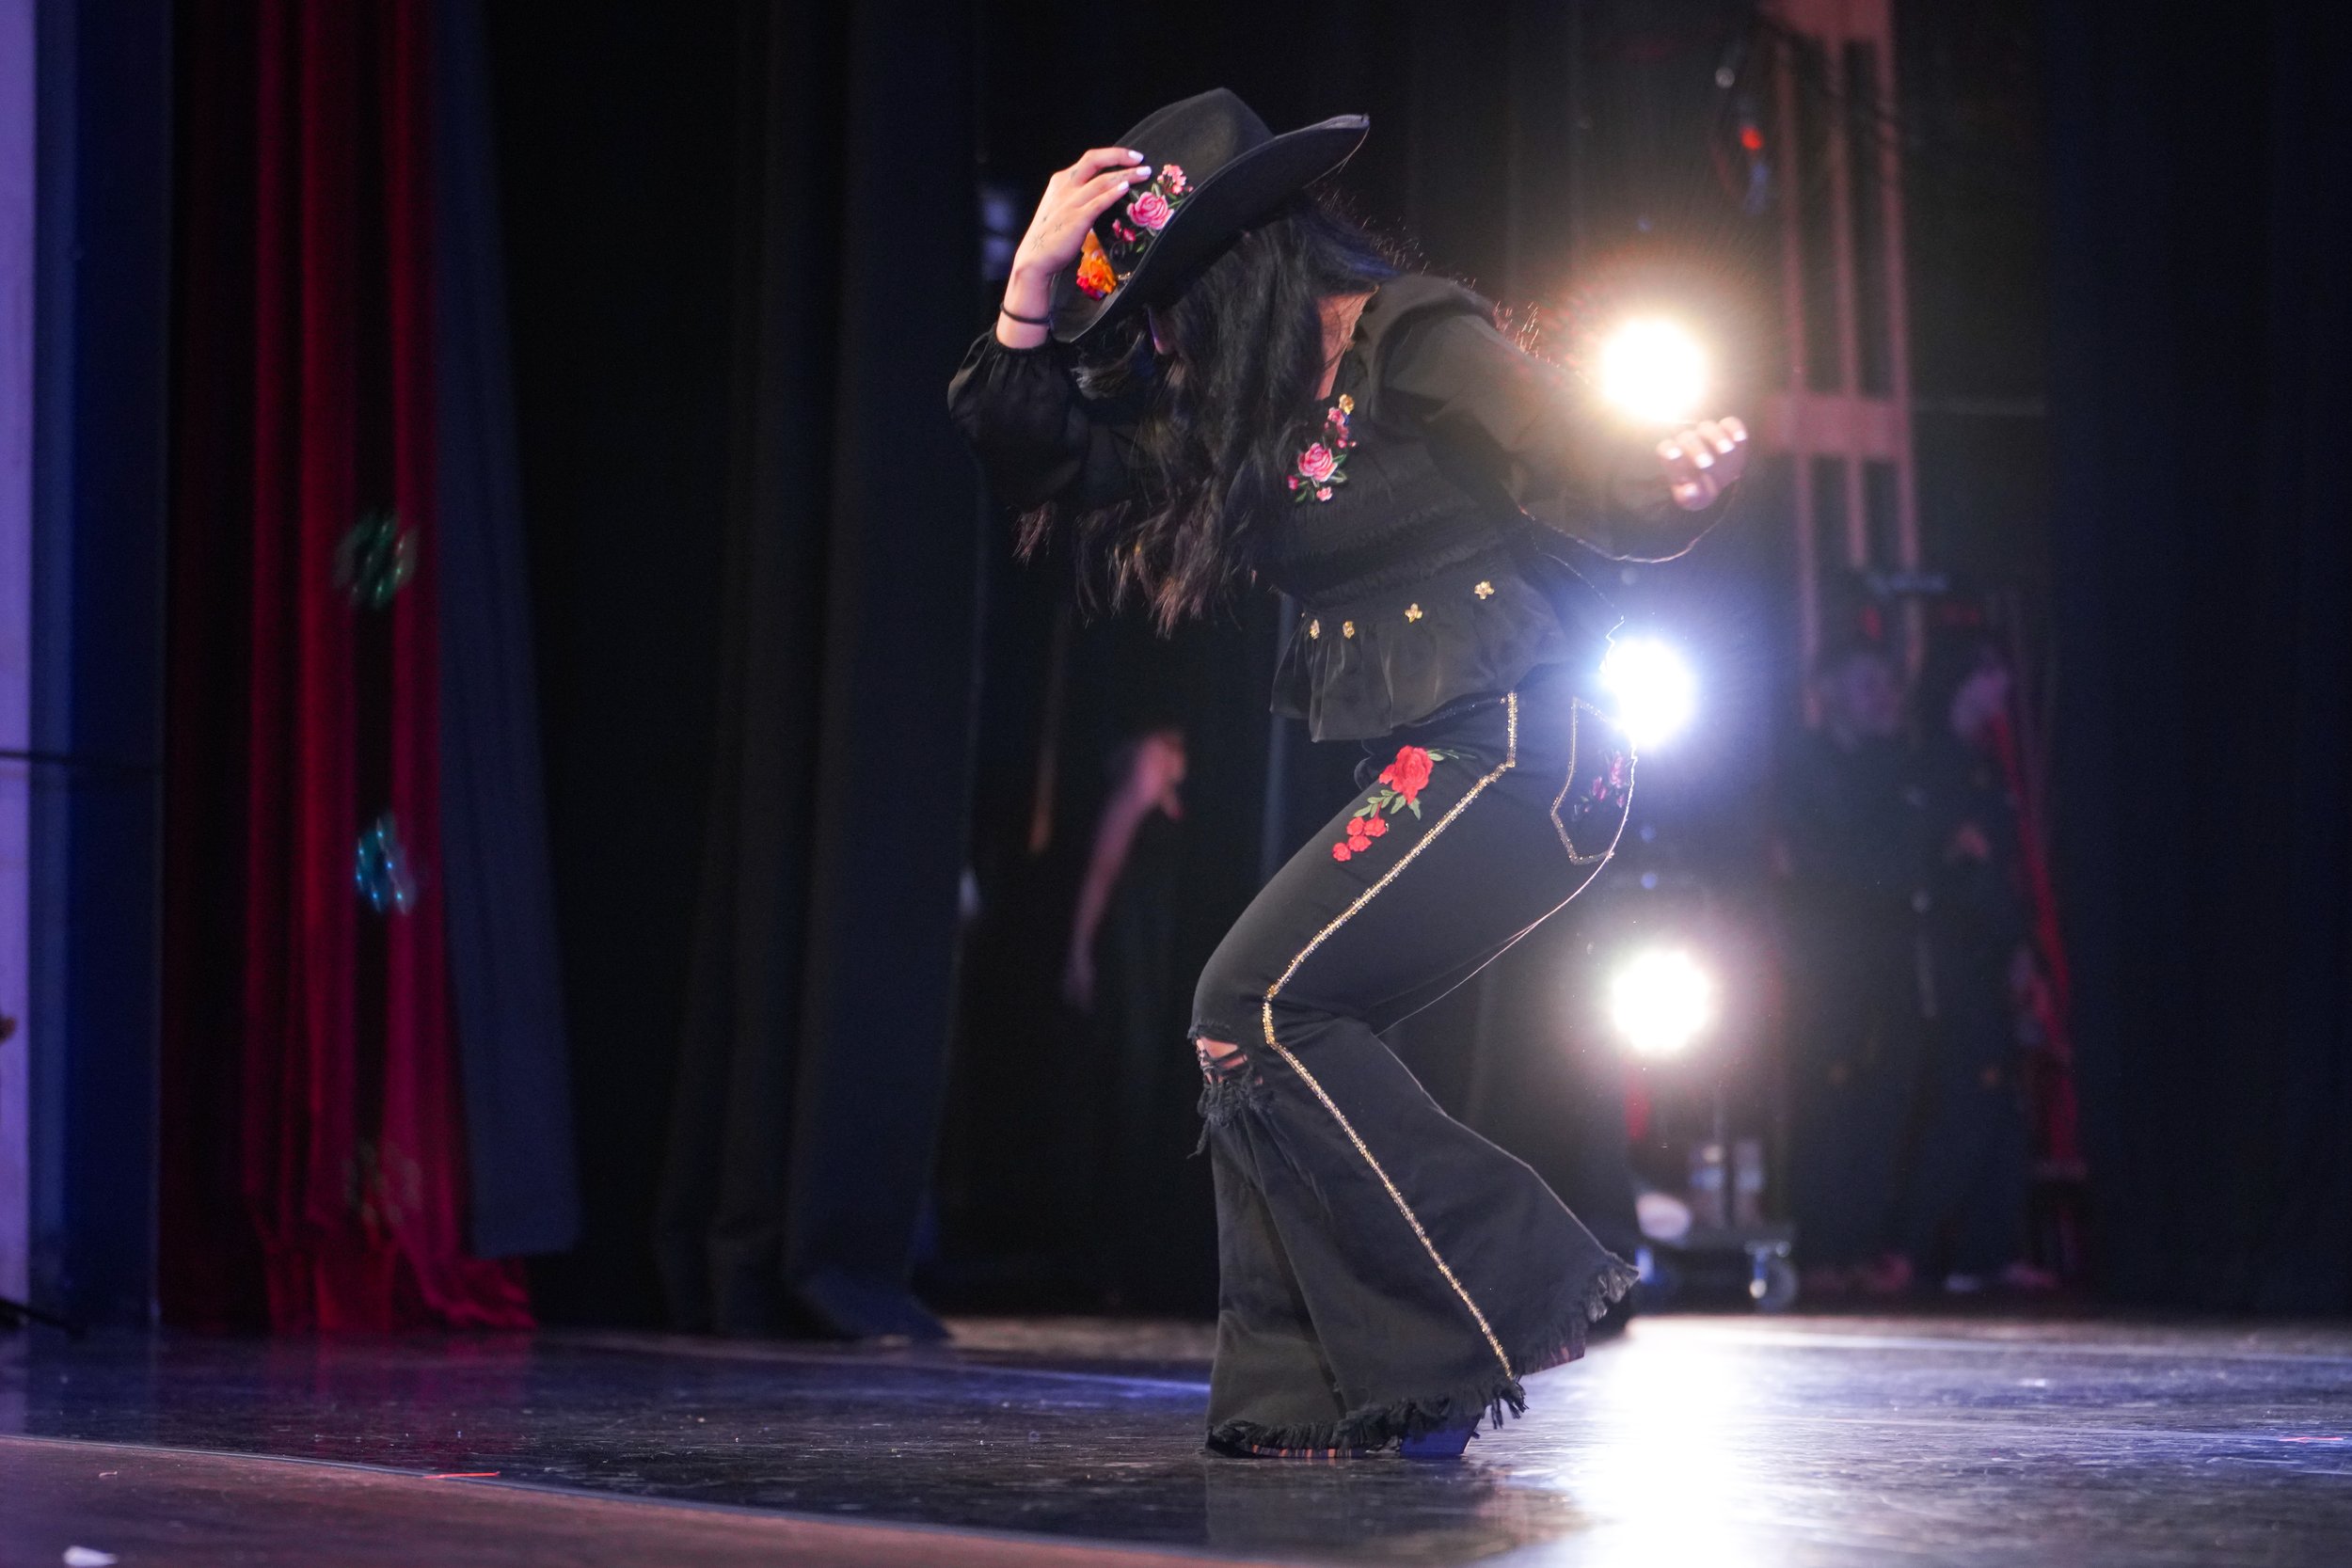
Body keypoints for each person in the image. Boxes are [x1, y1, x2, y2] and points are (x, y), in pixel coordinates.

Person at [947, 89, 1746, 1459]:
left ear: (1246, 266)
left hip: (1536, 747)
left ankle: (1506, 1282)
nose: (1157, 340)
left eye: (1171, 302)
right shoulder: (1240, 419)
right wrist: (1029, 287)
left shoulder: (1410, 336)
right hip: (1451, 751)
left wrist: (1669, 480)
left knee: (1251, 1001)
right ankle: (1301, 1399)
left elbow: (1589, 463)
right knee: (1244, 1034)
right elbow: (1040, 453)